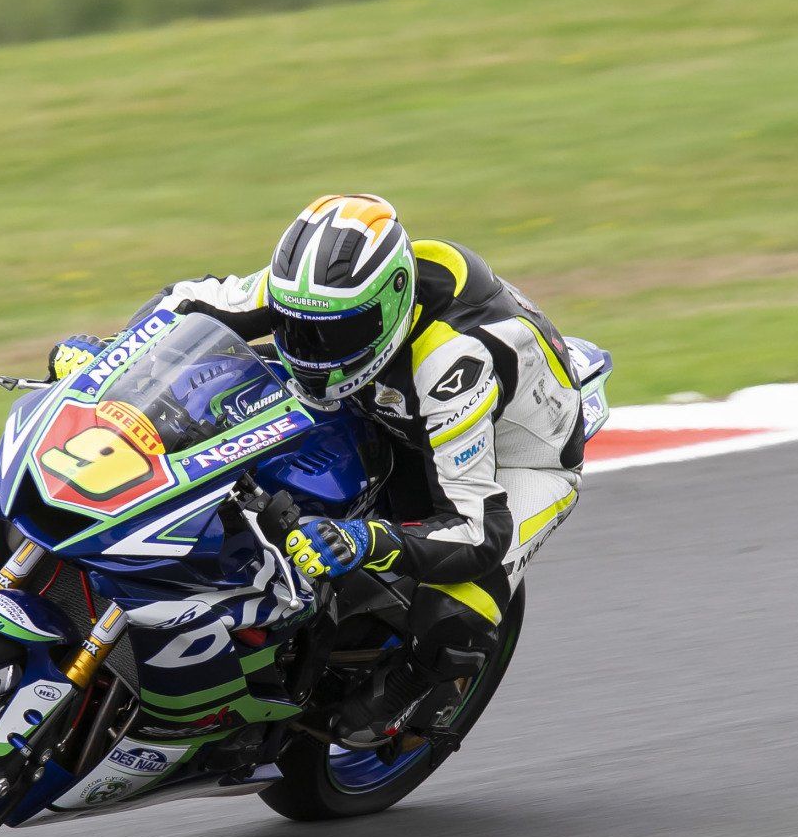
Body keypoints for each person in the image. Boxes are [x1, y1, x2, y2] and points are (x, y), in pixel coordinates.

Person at [49, 194, 592, 748]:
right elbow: (186, 304)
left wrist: (366, 538)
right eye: (297, 325)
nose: (310, 347)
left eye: (333, 334)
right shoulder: (313, 295)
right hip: (384, 403)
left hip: (518, 455)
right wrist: (112, 356)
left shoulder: (450, 360)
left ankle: (423, 684)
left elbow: (479, 530)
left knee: (458, 599)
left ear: (390, 306)